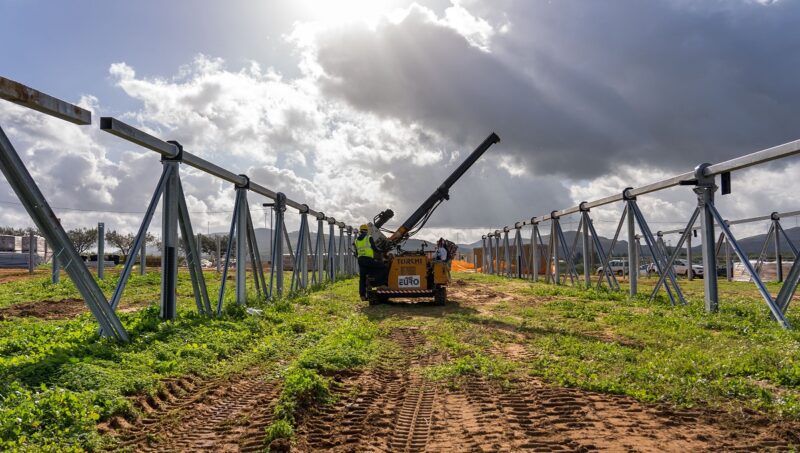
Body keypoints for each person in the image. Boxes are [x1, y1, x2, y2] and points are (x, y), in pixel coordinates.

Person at [354, 224, 387, 301]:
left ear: (360, 230)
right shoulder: (369, 237)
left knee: (362, 278)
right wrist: (382, 251)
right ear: (367, 230)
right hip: (368, 260)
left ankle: (362, 295)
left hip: (361, 260)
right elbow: (375, 248)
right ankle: (382, 284)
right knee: (383, 267)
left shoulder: (356, 240)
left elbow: (356, 252)